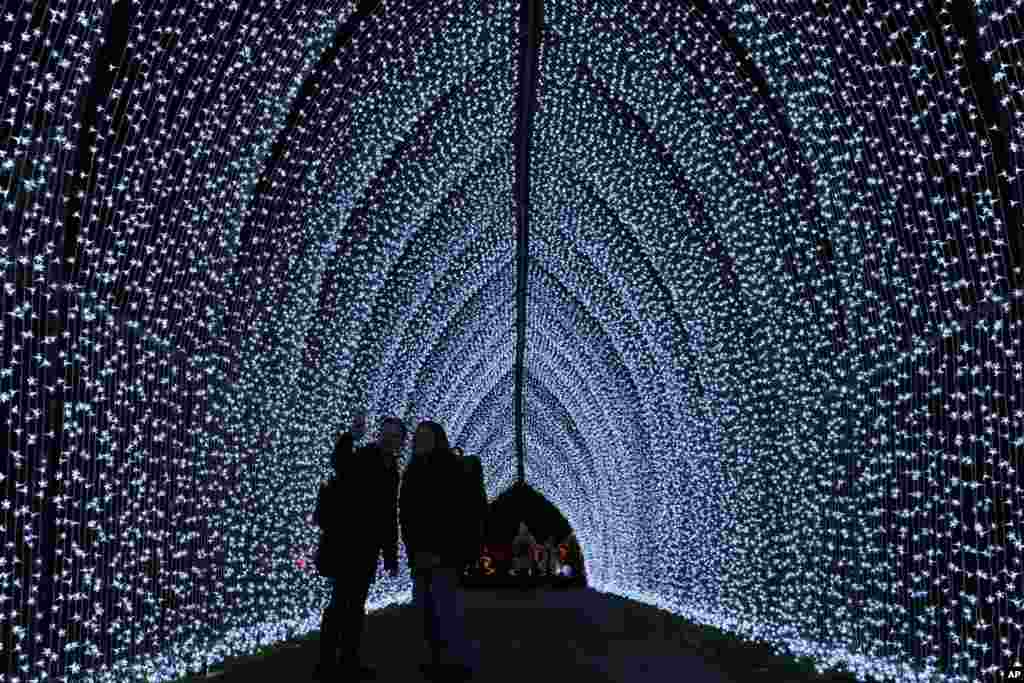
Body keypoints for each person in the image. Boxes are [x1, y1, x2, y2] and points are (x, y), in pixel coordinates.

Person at [314, 415, 404, 681]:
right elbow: (340, 464)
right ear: (379, 435)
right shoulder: (366, 457)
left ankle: (347, 661)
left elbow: (387, 515)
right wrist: (350, 437)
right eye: (386, 434)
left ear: (401, 442)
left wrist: (389, 554)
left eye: (395, 436)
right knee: (341, 606)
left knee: (352, 607)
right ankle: (328, 663)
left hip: (365, 550)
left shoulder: (392, 470)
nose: (390, 439)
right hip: (346, 545)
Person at [400, 421, 477, 682]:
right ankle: (434, 661)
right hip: (420, 556)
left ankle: (454, 663)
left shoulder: (451, 469)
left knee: (446, 611)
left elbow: (461, 515)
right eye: (417, 437)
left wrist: (452, 553)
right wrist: (412, 552)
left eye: (426, 436)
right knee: (425, 612)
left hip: (445, 556)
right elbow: (406, 515)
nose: (420, 441)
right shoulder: (411, 471)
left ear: (438, 439)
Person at [511, 522, 537, 589]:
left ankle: (525, 585)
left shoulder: (529, 537)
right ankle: (523, 585)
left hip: (526, 557)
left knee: (525, 571)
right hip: (521, 557)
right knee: (522, 571)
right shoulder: (518, 538)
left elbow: (533, 546)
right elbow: (514, 546)